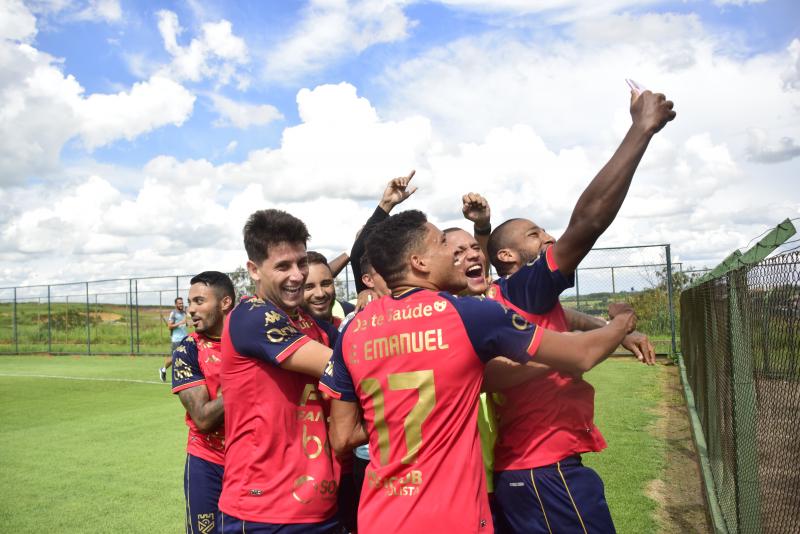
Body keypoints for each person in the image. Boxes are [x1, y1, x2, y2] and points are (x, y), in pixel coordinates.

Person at [320, 209, 637, 534]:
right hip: (452, 518)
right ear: (420, 263)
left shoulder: (353, 330)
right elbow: (582, 356)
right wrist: (622, 322)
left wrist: (397, 418)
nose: (455, 253)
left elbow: (342, 438)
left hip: (379, 516)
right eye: (444, 243)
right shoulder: (468, 314)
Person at [481, 88, 674, 533]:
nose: (549, 240)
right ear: (507, 257)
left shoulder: (515, 302)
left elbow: (566, 318)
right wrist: (641, 130)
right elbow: (587, 223)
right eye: (535, 234)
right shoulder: (523, 287)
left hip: (535, 470)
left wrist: (613, 330)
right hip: (545, 472)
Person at [218, 209, 342, 533]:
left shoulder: (311, 324)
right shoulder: (250, 316)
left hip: (321, 505)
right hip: (264, 509)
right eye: (283, 266)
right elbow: (338, 366)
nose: (298, 275)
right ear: (254, 270)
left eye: (301, 262)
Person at [171, 271, 235, 534]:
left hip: (249, 460)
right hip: (206, 461)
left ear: (225, 303)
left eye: (199, 301)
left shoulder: (248, 341)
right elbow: (203, 418)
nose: (191, 310)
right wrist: (246, 382)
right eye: (190, 303)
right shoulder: (188, 349)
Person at [303, 251, 342, 328]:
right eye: (309, 287)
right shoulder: (289, 336)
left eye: (326, 284)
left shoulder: (349, 328)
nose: (320, 294)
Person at [160, 297, 190, 382]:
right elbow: (169, 326)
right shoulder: (173, 313)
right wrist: (181, 323)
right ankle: (163, 369)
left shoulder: (184, 312)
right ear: (176, 304)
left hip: (185, 338)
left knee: (185, 356)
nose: (181, 304)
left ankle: (183, 375)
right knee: (174, 357)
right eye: (179, 303)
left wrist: (189, 324)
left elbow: (184, 324)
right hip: (176, 339)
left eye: (182, 303)